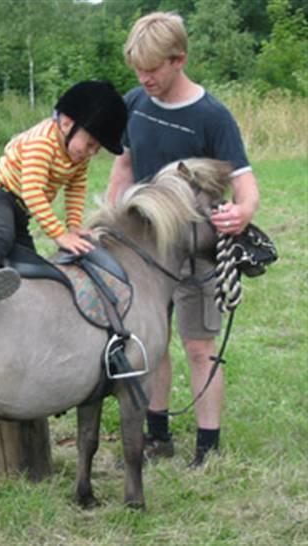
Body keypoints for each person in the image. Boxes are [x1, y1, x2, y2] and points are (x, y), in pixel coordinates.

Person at [106, 12, 260, 467]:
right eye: (138, 69)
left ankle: (207, 449)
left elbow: (245, 187)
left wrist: (242, 212)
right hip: (145, 250)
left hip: (196, 249)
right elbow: (123, 168)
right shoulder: (134, 102)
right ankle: (157, 437)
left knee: (198, 346)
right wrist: (111, 222)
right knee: (149, 343)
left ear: (180, 59)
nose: (144, 78)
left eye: (153, 69)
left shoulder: (212, 116)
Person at [0, 80, 128, 316]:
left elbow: (76, 188)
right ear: (67, 123)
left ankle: (6, 301)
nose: (91, 152)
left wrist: (74, 226)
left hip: (20, 211)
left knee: (29, 265)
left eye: (97, 149)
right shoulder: (42, 143)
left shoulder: (76, 155)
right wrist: (60, 234)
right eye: (90, 143)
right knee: (0, 236)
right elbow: (32, 191)